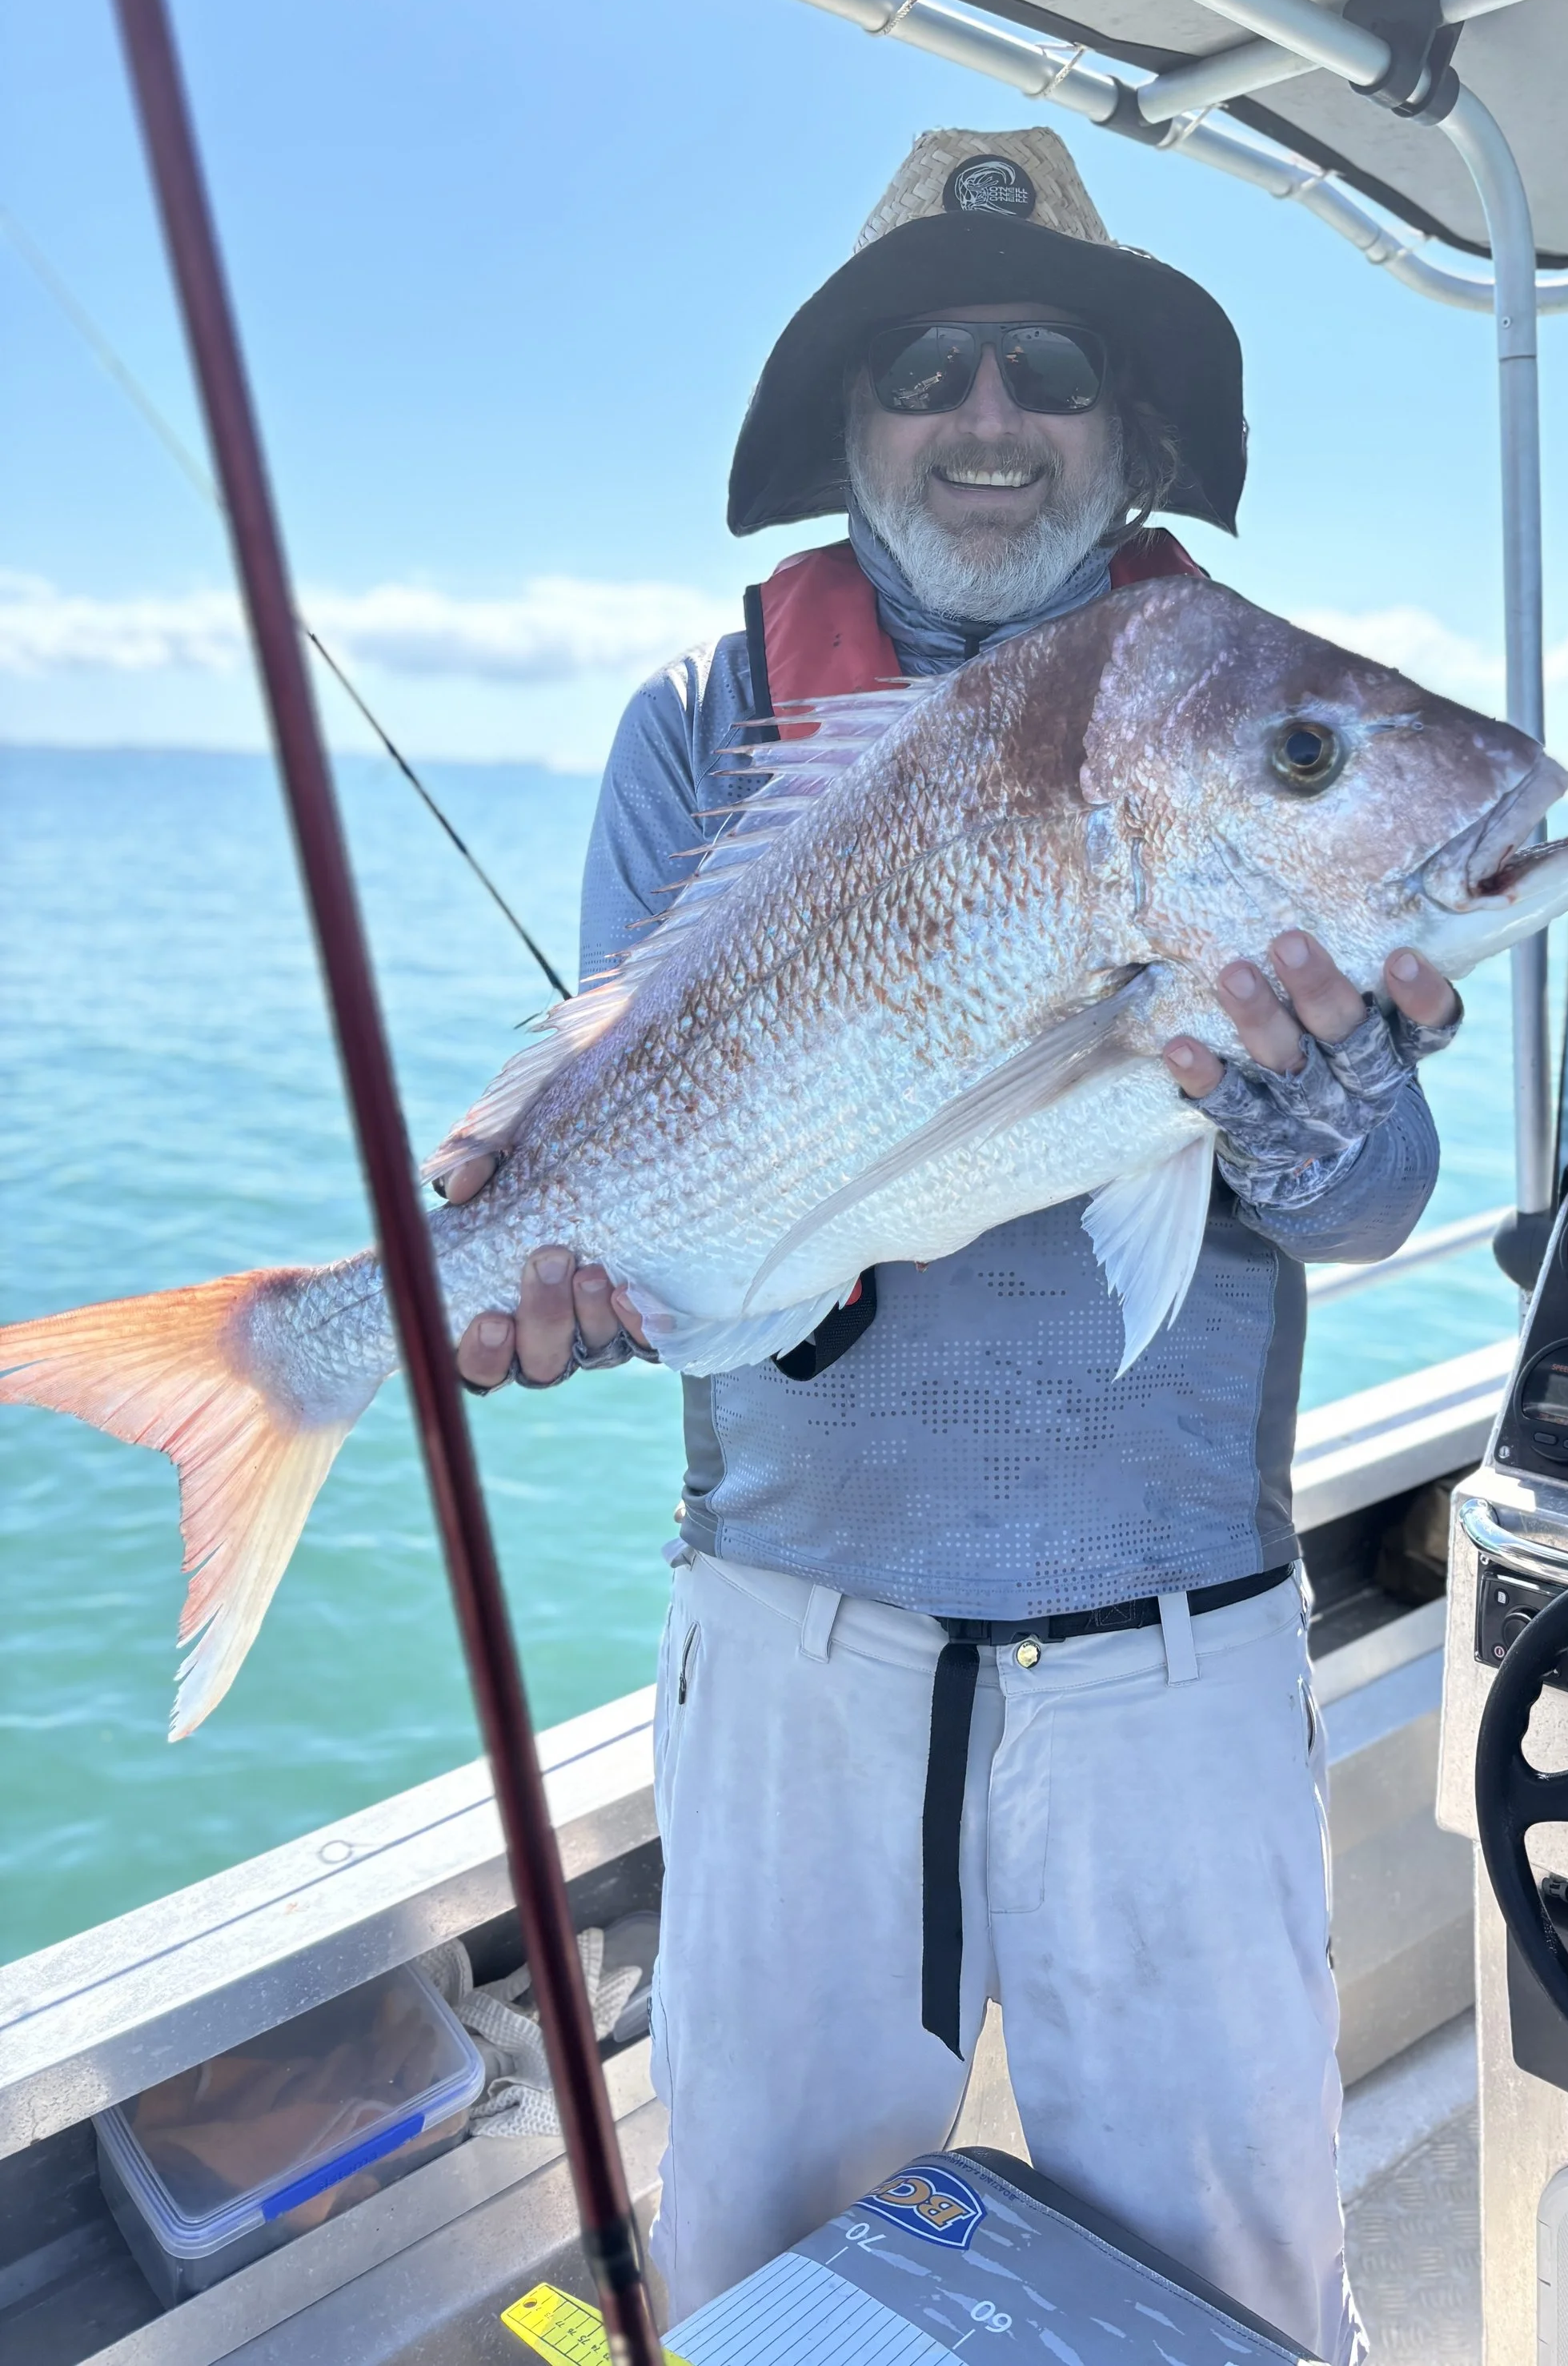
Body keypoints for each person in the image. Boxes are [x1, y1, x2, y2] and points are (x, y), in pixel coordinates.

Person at [448, 129, 1459, 2361]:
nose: (986, 422)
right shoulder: (698, 729)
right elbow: (653, 1162)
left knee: (1234, 2276)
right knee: (756, 2263)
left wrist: (1309, 1109)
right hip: (794, 1635)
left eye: (1047, 373)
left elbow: (1383, 1201)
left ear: (1132, 436)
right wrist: (567, 1281)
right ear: (846, 425)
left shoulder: (1247, 728)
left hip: (1173, 1646)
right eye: (925, 366)